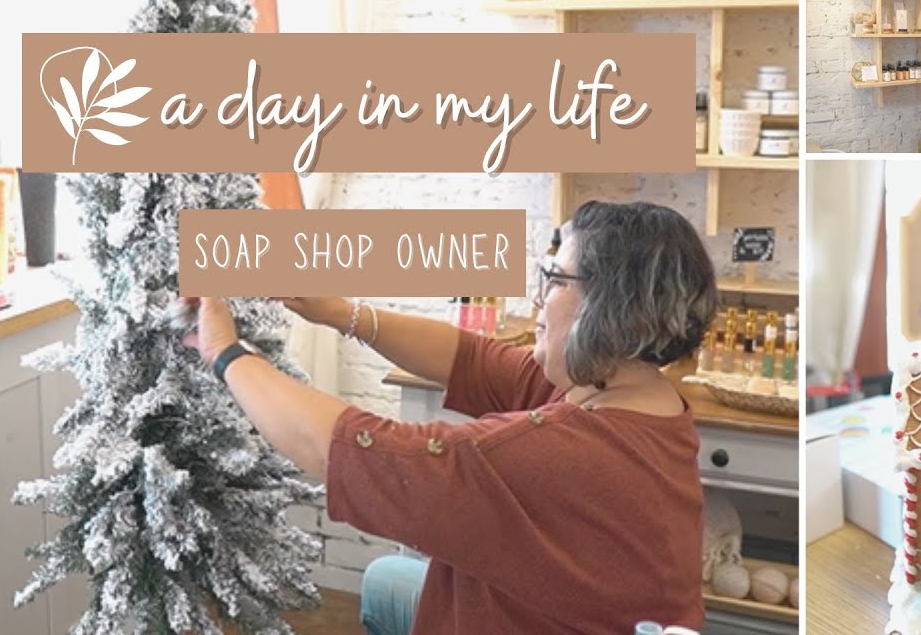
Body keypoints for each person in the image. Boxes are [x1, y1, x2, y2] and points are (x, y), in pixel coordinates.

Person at [181, 200, 719, 635]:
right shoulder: (640, 398)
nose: (537, 299)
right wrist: (339, 311)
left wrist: (225, 353)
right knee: (387, 578)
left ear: (610, 309)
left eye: (555, 279)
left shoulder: (556, 453)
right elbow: (471, 358)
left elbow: (347, 452)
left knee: (390, 578)